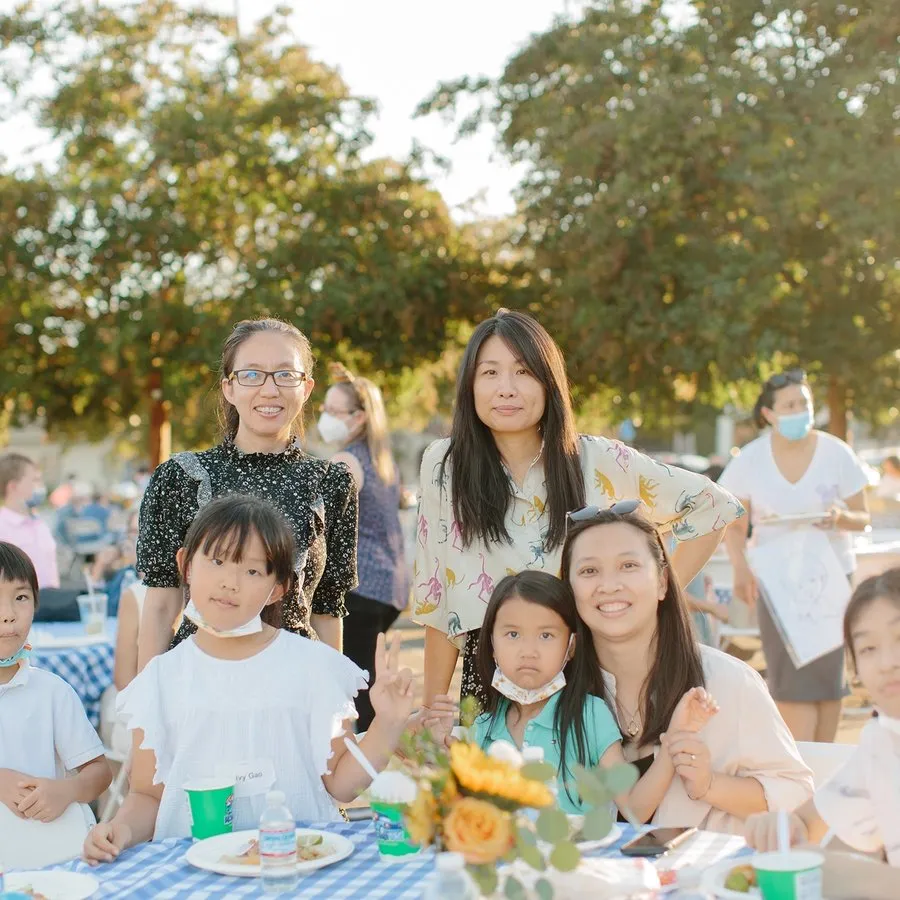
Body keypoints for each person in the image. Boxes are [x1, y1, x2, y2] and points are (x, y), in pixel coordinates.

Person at [414, 309, 744, 708]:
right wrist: (433, 710)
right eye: (489, 373)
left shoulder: (598, 459)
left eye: (523, 372)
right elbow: (437, 599)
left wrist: (653, 592)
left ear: (549, 382)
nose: (505, 388)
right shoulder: (442, 464)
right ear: (469, 384)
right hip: (489, 681)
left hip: (589, 675)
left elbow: (713, 507)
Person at [82, 495, 414, 860]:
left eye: (252, 571)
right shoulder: (161, 679)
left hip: (298, 867)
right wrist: (120, 829)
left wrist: (388, 723)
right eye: (217, 560)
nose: (229, 582)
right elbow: (147, 795)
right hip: (198, 873)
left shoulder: (314, 667)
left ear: (278, 588)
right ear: (187, 566)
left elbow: (341, 783)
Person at [560, 503, 813, 834]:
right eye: (589, 571)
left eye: (629, 565)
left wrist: (709, 785)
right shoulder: (555, 692)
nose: (609, 585)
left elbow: (795, 794)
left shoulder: (728, 682)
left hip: (704, 879)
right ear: (570, 589)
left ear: (663, 581)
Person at [136, 318, 358, 667]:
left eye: (286, 375)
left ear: (307, 387)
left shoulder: (333, 483)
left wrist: (338, 706)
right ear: (229, 388)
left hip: (296, 684)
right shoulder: (179, 478)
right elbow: (162, 606)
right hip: (199, 681)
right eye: (252, 374)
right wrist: (145, 705)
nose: (270, 390)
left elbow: (327, 611)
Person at [429, 570, 718, 819]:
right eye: (513, 634)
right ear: (491, 644)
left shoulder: (588, 715)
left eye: (546, 635)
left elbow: (633, 808)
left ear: (570, 647)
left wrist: (672, 745)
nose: (528, 651)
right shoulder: (483, 728)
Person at [719, 369, 871, 743]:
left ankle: (825, 759)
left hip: (831, 580)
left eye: (804, 403)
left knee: (829, 677)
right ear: (769, 414)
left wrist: (839, 518)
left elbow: (862, 517)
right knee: (789, 678)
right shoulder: (750, 460)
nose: (800, 410)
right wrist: (740, 569)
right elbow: (732, 523)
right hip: (777, 581)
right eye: (789, 404)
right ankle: (800, 768)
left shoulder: (837, 453)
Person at [745, 568, 900, 866]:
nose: (886, 663)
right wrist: (777, 826)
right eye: (868, 648)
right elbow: (806, 823)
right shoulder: (880, 741)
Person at [319, 363, 410, 731]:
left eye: (332, 412)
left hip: (360, 586)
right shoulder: (381, 461)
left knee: (359, 689)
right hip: (390, 586)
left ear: (358, 418)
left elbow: (321, 519)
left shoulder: (347, 461)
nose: (323, 418)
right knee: (367, 680)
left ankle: (375, 767)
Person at [0, 542, 112, 823]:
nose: (8, 614)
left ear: (37, 604)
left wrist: (67, 790)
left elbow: (99, 772)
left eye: (21, 597)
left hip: (43, 854)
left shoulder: (52, 692)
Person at [0, 453, 59, 589]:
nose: (40, 486)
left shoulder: (40, 523)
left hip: (52, 604)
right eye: (34, 480)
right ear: (13, 486)